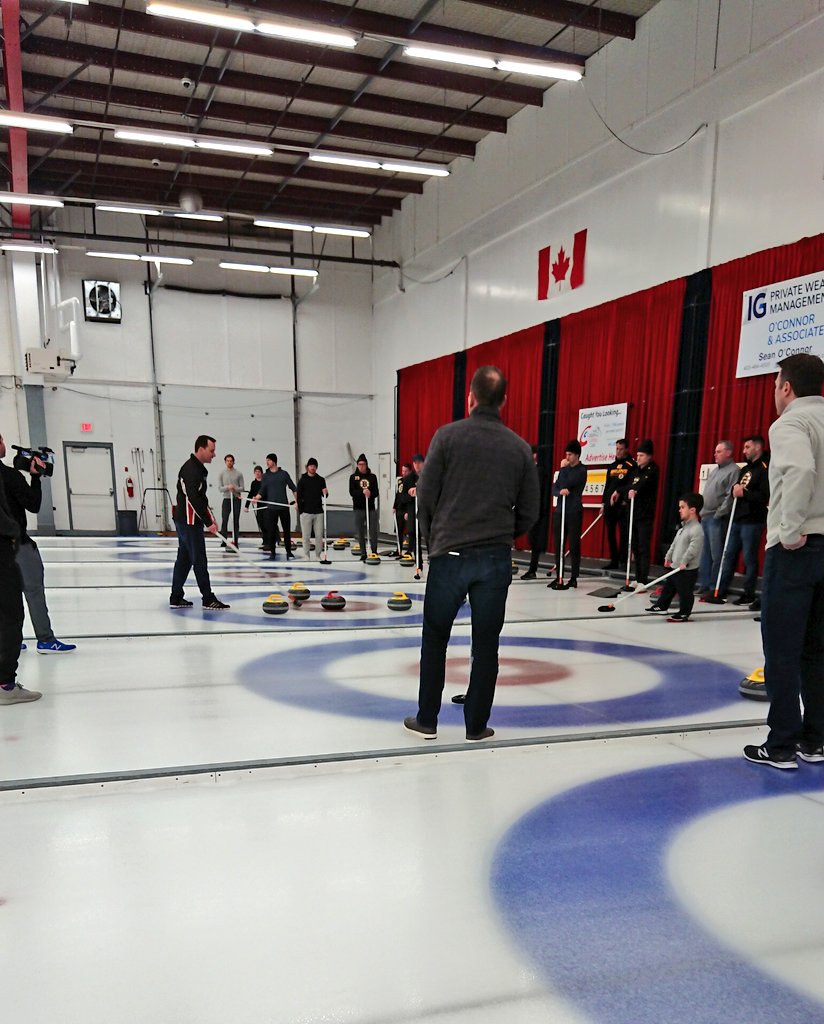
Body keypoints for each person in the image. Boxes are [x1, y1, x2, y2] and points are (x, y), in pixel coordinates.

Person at [404, 365, 538, 742]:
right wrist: (503, 535)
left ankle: (427, 720)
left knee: (435, 637)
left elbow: (425, 498)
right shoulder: (518, 448)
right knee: (486, 643)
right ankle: (476, 725)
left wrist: (436, 542)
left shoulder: (446, 437)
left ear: (470, 398)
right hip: (494, 558)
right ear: (504, 401)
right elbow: (531, 508)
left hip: (450, 555)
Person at [743, 354, 824, 769]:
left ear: (787, 387)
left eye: (776, 383)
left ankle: (781, 745)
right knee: (817, 650)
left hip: (797, 551)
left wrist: (790, 530)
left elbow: (800, 470)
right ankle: (816, 739)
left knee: (782, 650)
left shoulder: (791, 423)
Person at [0, 434, 76, 653]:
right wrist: (35, 478)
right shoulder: (10, 476)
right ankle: (45, 638)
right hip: (17, 545)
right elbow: (33, 504)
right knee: (33, 591)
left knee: (5, 596)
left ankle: (9, 640)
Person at [169, 435, 230, 610]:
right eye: (212, 450)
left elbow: (201, 498)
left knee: (184, 559)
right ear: (201, 449)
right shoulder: (191, 470)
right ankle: (208, 598)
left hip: (188, 521)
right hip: (188, 522)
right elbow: (193, 498)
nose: (214, 454)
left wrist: (211, 518)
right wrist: (207, 521)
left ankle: (176, 596)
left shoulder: (199, 469)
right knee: (199, 559)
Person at [0, 465, 41, 704]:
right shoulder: (11, 476)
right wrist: (13, 530)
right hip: (4, 551)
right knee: (11, 614)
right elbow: (33, 503)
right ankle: (5, 684)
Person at [717, 434, 770, 606]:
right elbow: (738, 491)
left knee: (749, 558)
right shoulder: (744, 469)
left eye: (747, 447)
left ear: (757, 447)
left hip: (753, 520)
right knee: (729, 555)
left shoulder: (765, 468)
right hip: (737, 518)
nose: (744, 451)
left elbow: (764, 496)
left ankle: (749, 593)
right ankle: (721, 590)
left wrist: (744, 493)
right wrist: (735, 491)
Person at [646, 493, 704, 622]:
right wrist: (668, 556)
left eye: (682, 507)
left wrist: (684, 562)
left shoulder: (696, 529)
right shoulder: (682, 529)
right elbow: (674, 544)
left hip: (686, 569)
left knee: (685, 592)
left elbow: (693, 549)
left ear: (693, 510)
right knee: (668, 588)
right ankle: (661, 606)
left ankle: (684, 612)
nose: (679, 510)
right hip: (676, 567)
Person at [696, 440, 740, 595]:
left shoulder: (733, 470)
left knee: (716, 554)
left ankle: (715, 586)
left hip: (717, 518)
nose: (715, 454)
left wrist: (719, 513)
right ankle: (704, 584)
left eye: (719, 451)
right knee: (705, 553)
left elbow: (729, 496)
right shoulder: (715, 470)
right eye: (715, 451)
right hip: (706, 516)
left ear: (728, 452)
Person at [619, 439, 659, 585]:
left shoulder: (652, 470)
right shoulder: (635, 470)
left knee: (643, 547)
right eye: (637, 455)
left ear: (649, 456)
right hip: (633, 514)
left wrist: (635, 490)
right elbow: (628, 485)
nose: (638, 458)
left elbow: (642, 484)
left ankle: (643, 580)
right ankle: (637, 577)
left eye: (642, 455)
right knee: (634, 547)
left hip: (645, 515)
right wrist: (619, 491)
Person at [548, 440, 587, 588]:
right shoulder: (564, 470)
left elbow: (567, 483)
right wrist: (559, 492)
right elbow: (555, 488)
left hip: (573, 511)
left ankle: (574, 577)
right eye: (566, 454)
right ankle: (559, 575)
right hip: (560, 510)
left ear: (576, 455)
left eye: (570, 454)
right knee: (559, 544)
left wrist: (562, 469)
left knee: (574, 544)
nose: (567, 457)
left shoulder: (582, 470)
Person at [602, 438, 635, 570]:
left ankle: (623, 561)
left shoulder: (631, 465)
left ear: (626, 449)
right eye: (617, 449)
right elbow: (607, 486)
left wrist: (620, 493)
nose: (618, 451)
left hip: (623, 505)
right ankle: (613, 560)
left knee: (623, 533)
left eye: (621, 449)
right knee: (610, 533)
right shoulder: (612, 466)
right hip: (610, 505)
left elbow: (631, 484)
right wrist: (603, 504)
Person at [259, 453, 297, 561]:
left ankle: (288, 552)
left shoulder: (284, 474)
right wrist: (256, 498)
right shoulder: (265, 476)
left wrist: (297, 502)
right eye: (266, 460)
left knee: (286, 531)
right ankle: (272, 552)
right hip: (271, 508)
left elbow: (293, 488)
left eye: (268, 460)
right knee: (271, 531)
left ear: (274, 461)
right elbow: (262, 490)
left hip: (283, 507)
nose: (267, 463)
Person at [520, 446, 550, 580]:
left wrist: (539, 510)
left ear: (535, 456)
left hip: (537, 511)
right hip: (528, 510)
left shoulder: (540, 471)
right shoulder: (526, 470)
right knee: (531, 540)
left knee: (535, 541)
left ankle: (533, 569)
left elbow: (542, 493)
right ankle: (531, 568)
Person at [349, 454, 379, 560]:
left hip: (370, 508)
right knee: (360, 531)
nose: (361, 466)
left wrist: (370, 493)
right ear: (357, 465)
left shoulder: (372, 477)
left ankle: (374, 551)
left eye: (363, 464)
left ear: (366, 465)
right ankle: (363, 553)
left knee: (373, 531)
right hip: (358, 508)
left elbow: (376, 492)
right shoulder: (353, 478)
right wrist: (362, 492)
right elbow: (352, 492)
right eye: (360, 464)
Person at [296, 458, 328, 559]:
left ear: (316, 467)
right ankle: (306, 554)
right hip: (306, 512)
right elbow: (299, 496)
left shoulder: (321, 480)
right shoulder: (302, 480)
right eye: (311, 466)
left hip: (318, 512)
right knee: (306, 536)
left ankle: (318, 555)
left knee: (319, 536)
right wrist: (301, 511)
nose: (312, 467)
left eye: (314, 466)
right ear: (307, 467)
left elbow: (325, 496)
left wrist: (326, 492)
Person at [218, 454, 244, 550]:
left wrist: (235, 488)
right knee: (224, 519)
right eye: (227, 461)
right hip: (226, 499)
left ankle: (235, 540)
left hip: (236, 499)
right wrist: (227, 487)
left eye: (231, 461)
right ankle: (224, 540)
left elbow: (242, 488)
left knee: (235, 520)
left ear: (233, 462)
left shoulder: (238, 474)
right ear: (225, 462)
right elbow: (220, 488)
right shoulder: (222, 473)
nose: (229, 462)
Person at [405, 453, 425, 563]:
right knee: (414, 534)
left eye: (419, 463)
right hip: (413, 511)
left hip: (426, 510)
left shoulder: (429, 476)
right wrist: (410, 493)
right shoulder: (408, 479)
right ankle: (418, 559)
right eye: (415, 463)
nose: (417, 466)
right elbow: (402, 497)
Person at [392, 462, 413, 557]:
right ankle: (399, 549)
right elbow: (398, 494)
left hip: (407, 509)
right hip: (399, 509)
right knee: (399, 530)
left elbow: (412, 497)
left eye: (406, 471)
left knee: (410, 531)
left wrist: (409, 511)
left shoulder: (412, 481)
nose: (403, 473)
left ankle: (409, 550)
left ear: (410, 471)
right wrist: (394, 506)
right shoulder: (400, 481)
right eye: (402, 471)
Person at [245, 465, 265, 549]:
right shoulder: (253, 483)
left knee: (268, 522)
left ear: (261, 473)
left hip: (266, 504)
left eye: (259, 472)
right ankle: (265, 539)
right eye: (256, 472)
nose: (257, 473)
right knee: (260, 522)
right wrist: (246, 506)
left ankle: (274, 539)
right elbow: (250, 494)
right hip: (259, 505)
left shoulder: (265, 482)